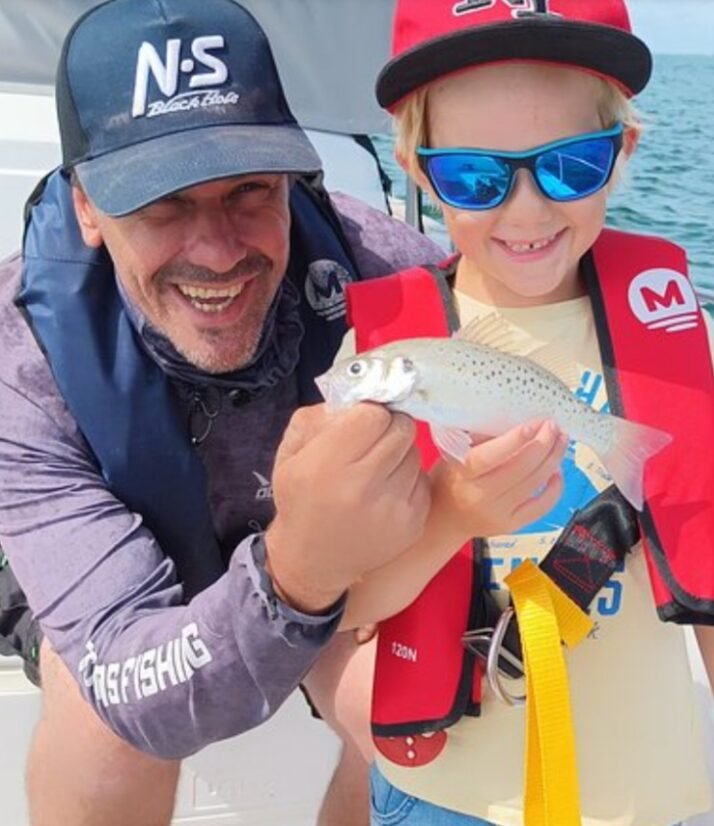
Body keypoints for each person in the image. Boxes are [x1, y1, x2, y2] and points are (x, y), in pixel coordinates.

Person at [0, 1, 567, 825]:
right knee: (105, 736)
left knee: (416, 718)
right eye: (161, 204)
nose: (220, 250)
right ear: (86, 204)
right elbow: (132, 681)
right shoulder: (24, 364)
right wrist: (295, 571)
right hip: (139, 587)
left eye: (250, 190)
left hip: (346, 562)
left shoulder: (390, 279)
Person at [306, 1, 714, 824]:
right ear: (418, 171)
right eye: (475, 176)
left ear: (623, 152)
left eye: (572, 166)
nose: (528, 211)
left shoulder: (674, 333)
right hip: (444, 792)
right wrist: (451, 518)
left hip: (641, 794)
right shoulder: (382, 353)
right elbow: (344, 603)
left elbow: (711, 551)